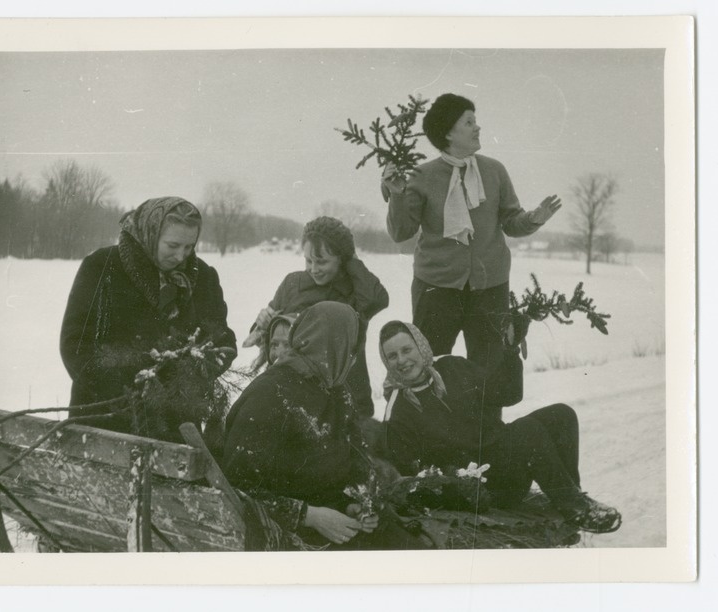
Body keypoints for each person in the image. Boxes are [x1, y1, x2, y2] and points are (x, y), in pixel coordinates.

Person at [379, 320, 621, 534]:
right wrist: (454, 482)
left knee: (561, 415)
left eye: (406, 350)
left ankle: (571, 498)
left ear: (421, 347)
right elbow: (408, 473)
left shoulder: (451, 366)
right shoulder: (397, 410)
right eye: (392, 356)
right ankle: (575, 508)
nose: (402, 360)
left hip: (501, 457)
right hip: (481, 488)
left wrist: (511, 349)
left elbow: (506, 393)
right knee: (527, 430)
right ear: (386, 362)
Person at [381, 93, 562, 369]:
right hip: (436, 289)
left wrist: (533, 219)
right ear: (448, 133)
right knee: (432, 367)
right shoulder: (422, 176)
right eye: (468, 122)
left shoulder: (494, 171)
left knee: (490, 370)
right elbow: (401, 232)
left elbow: (511, 221)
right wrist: (396, 195)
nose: (477, 127)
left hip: (490, 288)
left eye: (475, 121)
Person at [59, 196, 237, 437]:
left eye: (189, 247)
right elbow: (76, 345)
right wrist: (128, 393)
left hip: (176, 427)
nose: (181, 256)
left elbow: (222, 340)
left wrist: (192, 375)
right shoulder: (103, 267)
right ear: (150, 234)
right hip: (104, 420)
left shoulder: (203, 277)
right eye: (172, 245)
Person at [225, 302, 379, 549]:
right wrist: (311, 516)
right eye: (350, 350)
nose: (352, 360)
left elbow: (354, 459)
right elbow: (238, 488)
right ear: (333, 347)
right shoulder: (270, 393)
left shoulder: (338, 391)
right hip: (275, 534)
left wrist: (354, 503)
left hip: (332, 524)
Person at [244, 216, 389, 418]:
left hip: (343, 395)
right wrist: (263, 324)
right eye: (308, 260)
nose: (313, 269)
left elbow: (377, 299)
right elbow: (268, 336)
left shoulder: (354, 293)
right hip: (291, 391)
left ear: (342, 259)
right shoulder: (293, 283)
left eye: (322, 262)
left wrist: (352, 260)